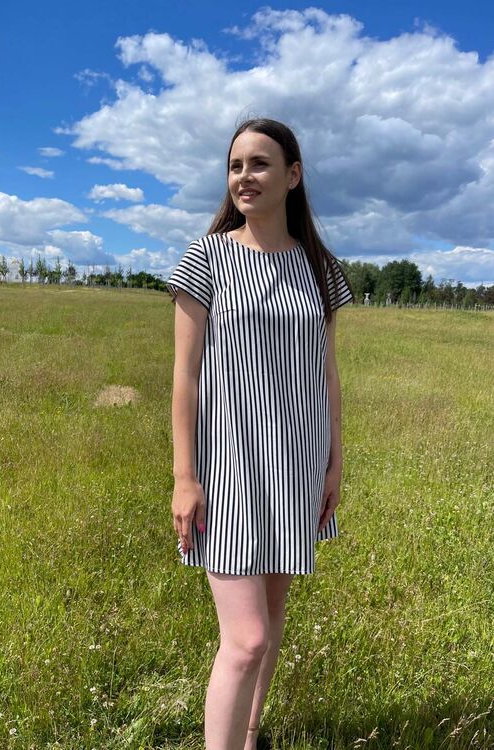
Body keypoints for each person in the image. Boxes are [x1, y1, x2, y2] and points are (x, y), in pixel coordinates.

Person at [166, 117, 354, 750]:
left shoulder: (319, 268)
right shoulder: (206, 256)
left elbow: (327, 371)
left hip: (298, 469)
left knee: (270, 627)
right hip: (229, 475)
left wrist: (334, 464)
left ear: (293, 176)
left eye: (260, 163)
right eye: (235, 165)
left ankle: (250, 736)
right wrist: (184, 477)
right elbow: (184, 379)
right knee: (244, 639)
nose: (244, 175)